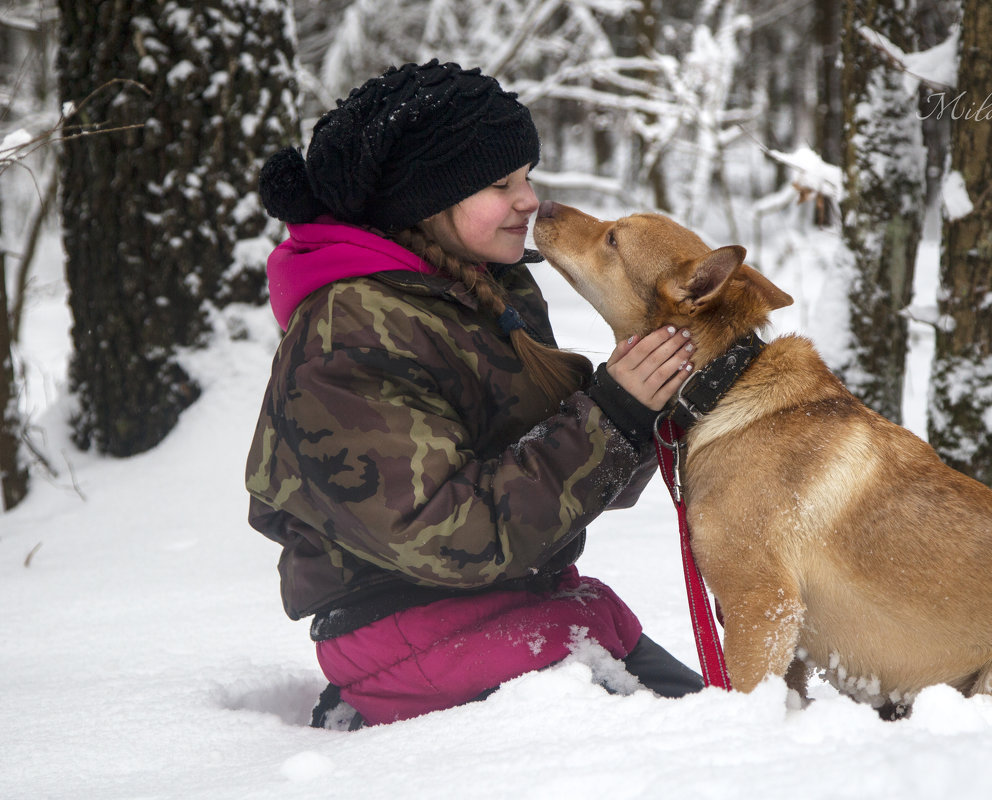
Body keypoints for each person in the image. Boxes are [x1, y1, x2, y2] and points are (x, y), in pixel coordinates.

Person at [246, 59, 705, 729]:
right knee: (697, 758)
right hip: (413, 637)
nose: (530, 200)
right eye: (500, 183)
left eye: (526, 176)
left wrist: (651, 408)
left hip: (516, 607)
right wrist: (614, 415)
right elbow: (445, 535)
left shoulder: (484, 290)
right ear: (423, 201)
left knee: (718, 728)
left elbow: (561, 467)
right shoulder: (350, 333)